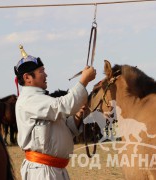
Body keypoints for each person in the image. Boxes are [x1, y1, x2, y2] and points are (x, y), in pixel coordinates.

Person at [14, 45, 96, 180]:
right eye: (41, 71)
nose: (46, 75)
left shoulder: (42, 99)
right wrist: (84, 81)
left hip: (54, 170)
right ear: (28, 77)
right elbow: (63, 105)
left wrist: (77, 116)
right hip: (42, 172)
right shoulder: (29, 100)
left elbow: (63, 129)